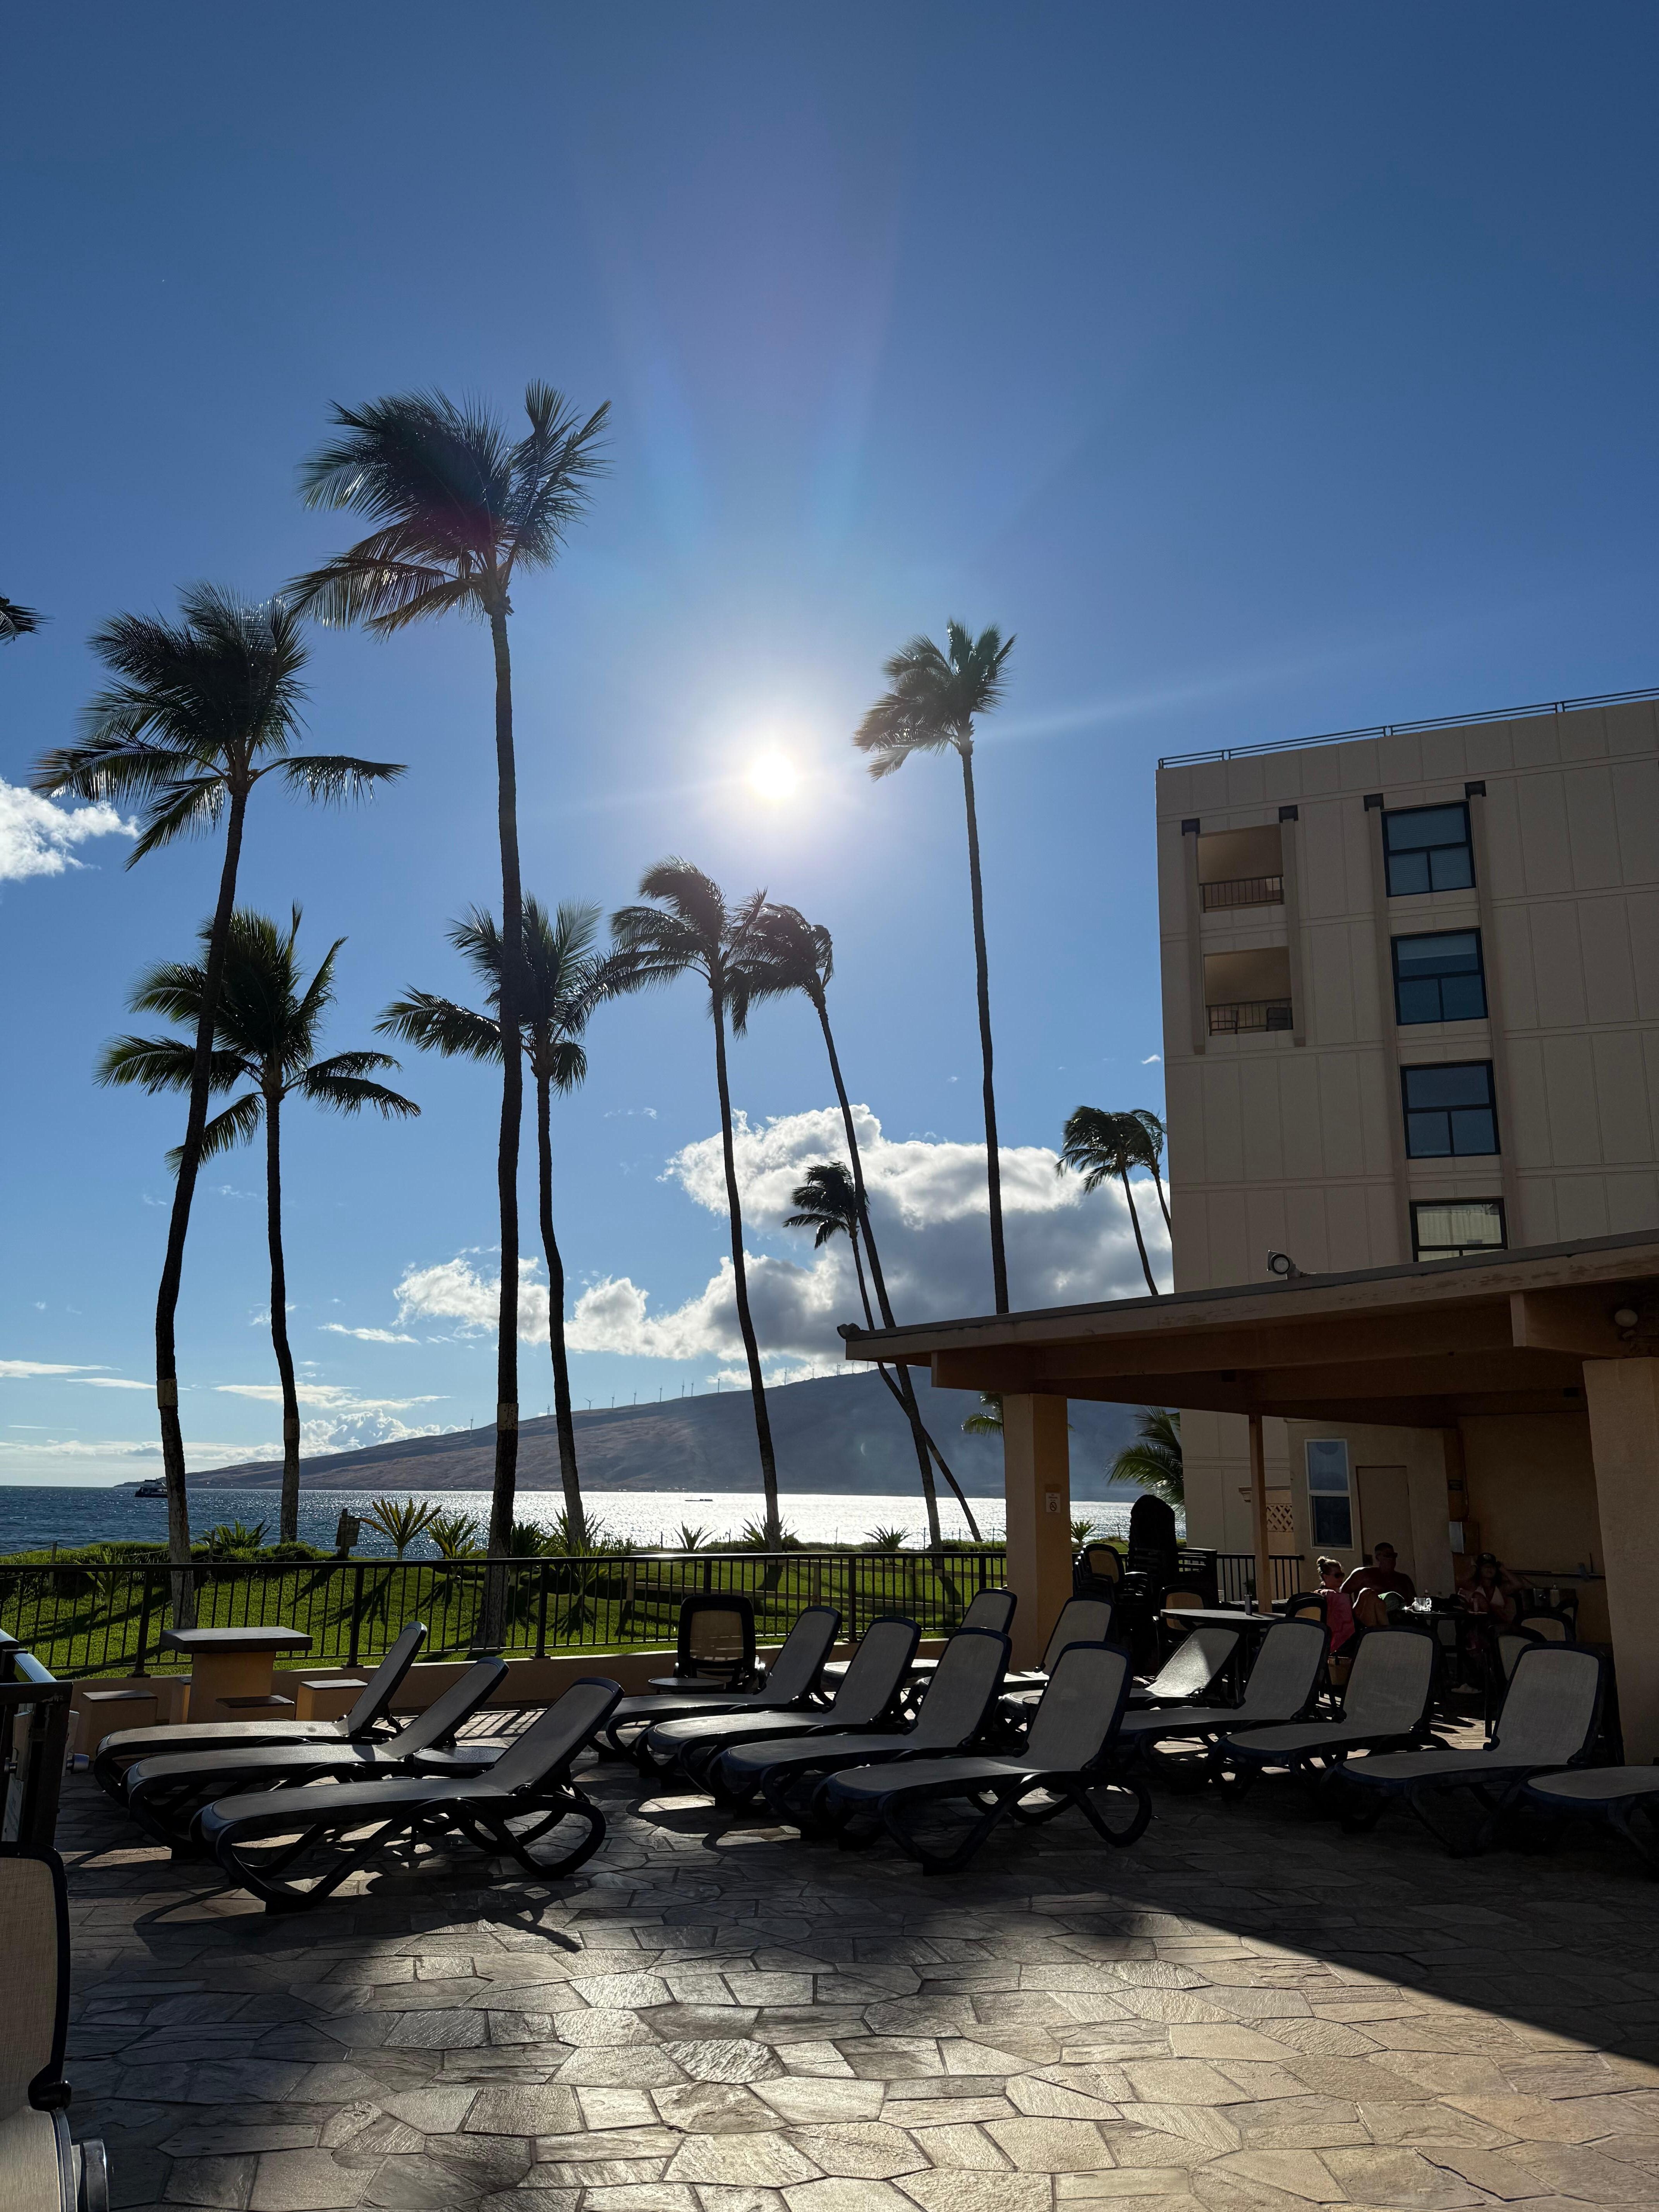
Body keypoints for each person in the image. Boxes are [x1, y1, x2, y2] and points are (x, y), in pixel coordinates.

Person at [1340, 1542, 1416, 1631]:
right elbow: (1343, 1593)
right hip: (1370, 1622)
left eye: (1394, 1556)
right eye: (1388, 1555)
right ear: (1378, 1557)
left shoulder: (1404, 1579)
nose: (1392, 1559)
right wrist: (1351, 1618)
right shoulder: (1363, 1574)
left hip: (1399, 1621)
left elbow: (1414, 1601)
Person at [1457, 1551, 1520, 1625]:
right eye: (1486, 1566)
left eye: (1492, 1566)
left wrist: (1502, 1568)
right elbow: (1460, 1581)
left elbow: (1518, 1585)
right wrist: (1475, 1567)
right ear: (1480, 1569)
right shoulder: (1474, 1586)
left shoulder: (1501, 1588)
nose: (1489, 1569)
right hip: (1478, 1625)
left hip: (1497, 1625)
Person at [1317, 1557, 1356, 1654]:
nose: (1341, 1579)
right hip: (1342, 1639)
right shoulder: (1327, 1594)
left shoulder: (1338, 1596)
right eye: (1337, 1576)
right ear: (1325, 1577)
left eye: (1342, 1575)